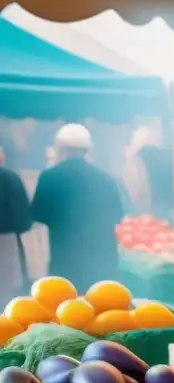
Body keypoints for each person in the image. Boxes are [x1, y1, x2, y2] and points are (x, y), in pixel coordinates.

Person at [30, 124, 124, 290]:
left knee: (66, 305)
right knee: (101, 304)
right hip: (101, 257)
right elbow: (118, 215)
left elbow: (37, 214)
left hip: (65, 256)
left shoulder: (49, 176)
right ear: (88, 150)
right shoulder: (104, 177)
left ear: (61, 149)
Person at [0, 138, 33, 301]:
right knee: (8, 301)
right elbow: (24, 221)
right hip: (7, 246)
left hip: (7, 246)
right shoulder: (11, 178)